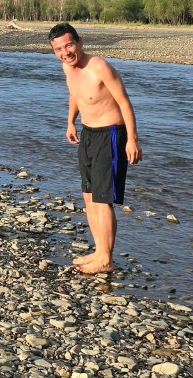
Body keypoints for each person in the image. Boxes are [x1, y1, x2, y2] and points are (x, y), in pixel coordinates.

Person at [47, 22, 142, 274]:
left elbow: (125, 102)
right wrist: (70, 121)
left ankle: (106, 260)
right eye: (58, 49)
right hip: (88, 134)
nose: (65, 52)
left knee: (103, 199)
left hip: (110, 134)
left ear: (80, 42)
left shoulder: (99, 66)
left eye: (69, 45)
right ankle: (99, 251)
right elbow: (75, 94)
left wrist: (132, 140)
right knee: (89, 197)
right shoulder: (67, 68)